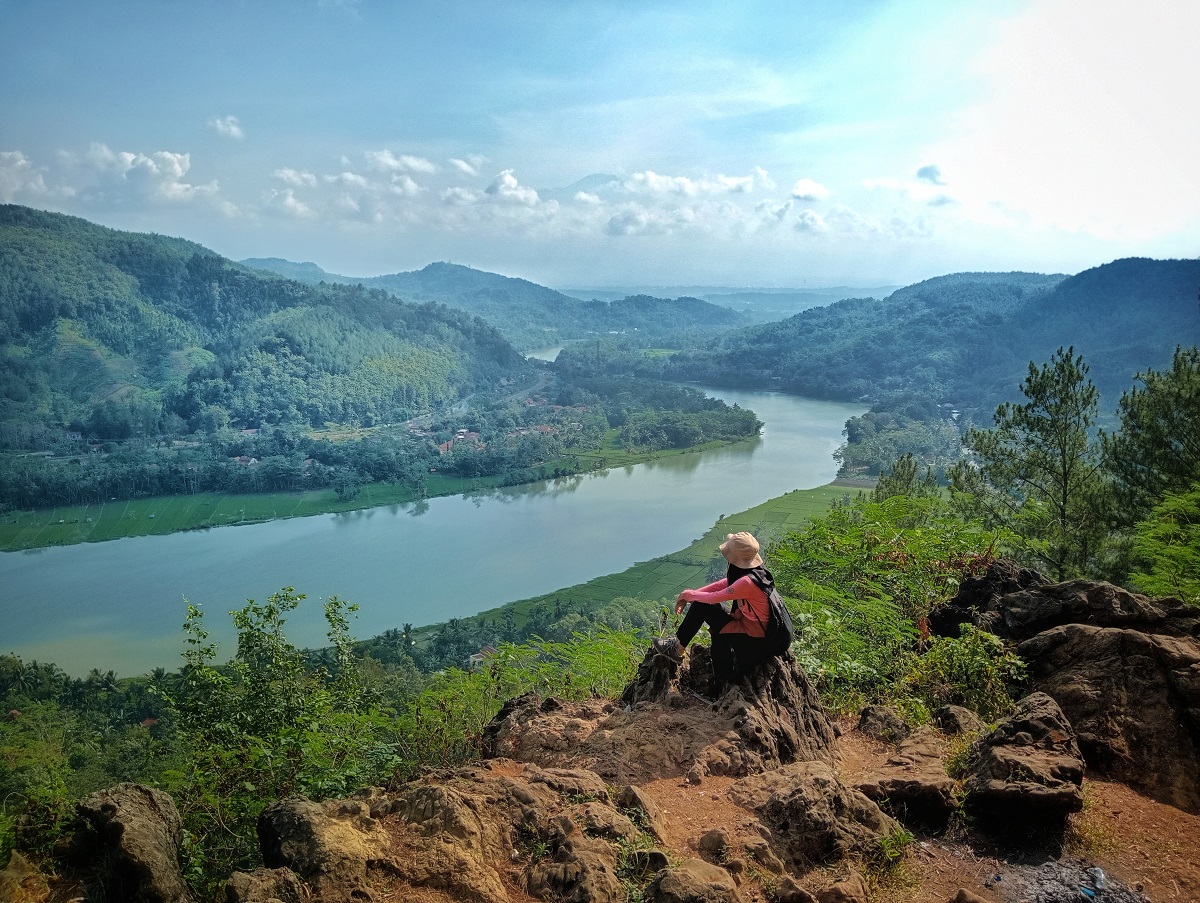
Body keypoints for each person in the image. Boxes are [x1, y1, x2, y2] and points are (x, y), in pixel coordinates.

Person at [652, 531, 773, 692]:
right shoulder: (754, 573)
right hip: (750, 626)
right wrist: (690, 596)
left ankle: (677, 647)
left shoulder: (747, 582)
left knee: (703, 605)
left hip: (752, 636)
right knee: (702, 603)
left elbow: (714, 597)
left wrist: (688, 595)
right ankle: (679, 646)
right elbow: (722, 585)